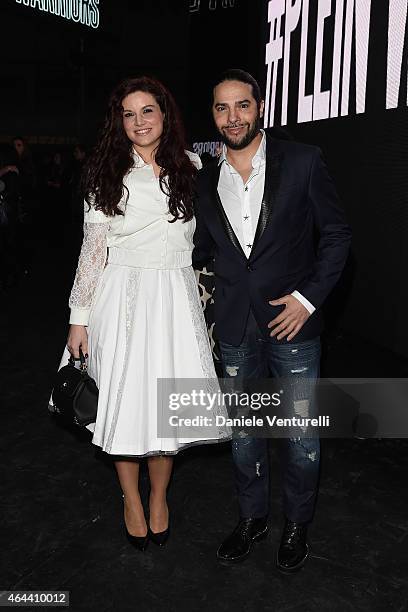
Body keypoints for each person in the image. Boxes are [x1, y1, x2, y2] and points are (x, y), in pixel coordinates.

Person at [50, 76, 230, 551]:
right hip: (123, 295)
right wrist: (78, 316)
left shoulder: (193, 167)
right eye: (128, 115)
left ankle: (159, 497)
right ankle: (131, 498)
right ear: (119, 122)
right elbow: (92, 251)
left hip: (174, 295)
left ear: (165, 115)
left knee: (164, 409)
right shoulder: (106, 173)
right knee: (124, 407)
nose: (139, 122)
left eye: (147, 111)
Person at [193, 69, 352, 571]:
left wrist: (308, 299)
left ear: (259, 107)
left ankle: (297, 524)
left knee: (301, 437)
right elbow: (202, 249)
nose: (232, 116)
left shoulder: (303, 161)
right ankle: (252, 517)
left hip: (294, 325)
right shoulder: (205, 178)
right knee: (244, 433)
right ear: (214, 116)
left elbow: (337, 236)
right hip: (237, 325)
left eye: (241, 105)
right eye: (222, 108)